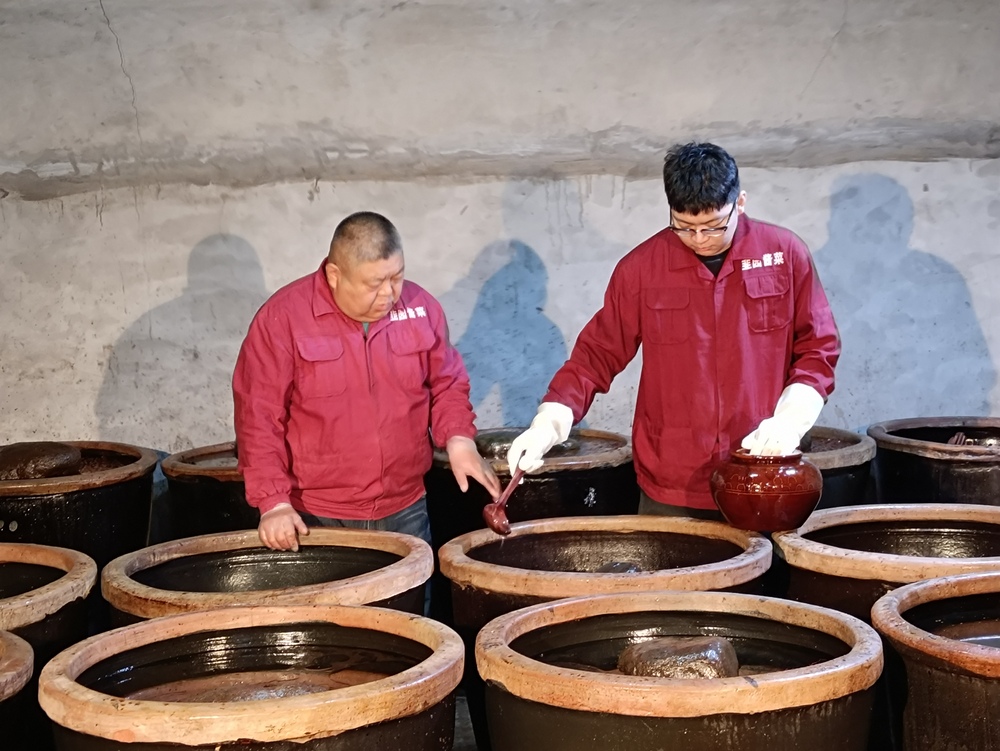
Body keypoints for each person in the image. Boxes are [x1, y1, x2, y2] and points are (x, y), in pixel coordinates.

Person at [507, 142, 840, 518]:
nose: (699, 239)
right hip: (674, 479)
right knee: (671, 574)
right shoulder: (641, 269)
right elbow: (597, 355)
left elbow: (818, 346)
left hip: (762, 470)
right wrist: (551, 420)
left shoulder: (784, 255)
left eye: (714, 226)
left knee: (764, 573)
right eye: (684, 227)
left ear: (740, 203)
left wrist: (791, 419)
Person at [233, 211, 500, 551]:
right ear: (334, 275)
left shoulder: (422, 309)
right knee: (332, 604)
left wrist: (459, 439)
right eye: (374, 284)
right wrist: (274, 503)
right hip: (315, 513)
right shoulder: (283, 319)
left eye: (397, 277)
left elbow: (448, 382)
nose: (389, 294)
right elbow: (258, 415)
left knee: (409, 603)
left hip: (405, 505)